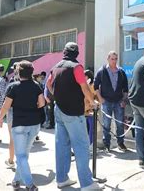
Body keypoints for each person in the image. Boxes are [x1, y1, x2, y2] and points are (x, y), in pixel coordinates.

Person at [46, 42, 102, 190]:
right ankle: (87, 183)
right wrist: (93, 102)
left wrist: (58, 96)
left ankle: (62, 178)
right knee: (81, 146)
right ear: (77, 53)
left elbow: (48, 85)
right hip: (74, 112)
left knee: (62, 145)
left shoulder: (56, 67)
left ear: (64, 52)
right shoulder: (76, 67)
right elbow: (84, 87)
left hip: (59, 109)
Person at [0, 61, 45, 191]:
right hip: (34, 124)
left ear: (18, 72)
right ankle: (16, 180)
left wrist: (0, 118)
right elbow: (42, 103)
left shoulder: (13, 87)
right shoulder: (37, 86)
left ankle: (30, 184)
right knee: (24, 154)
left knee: (21, 156)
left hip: (19, 125)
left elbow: (6, 106)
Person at [94, 51, 129, 152]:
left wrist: (124, 100)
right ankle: (107, 145)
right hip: (106, 102)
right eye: (112, 59)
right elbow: (96, 86)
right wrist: (100, 98)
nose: (114, 61)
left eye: (115, 59)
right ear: (108, 59)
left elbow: (125, 88)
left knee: (119, 124)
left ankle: (120, 143)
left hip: (119, 101)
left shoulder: (121, 72)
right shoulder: (102, 71)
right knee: (106, 124)